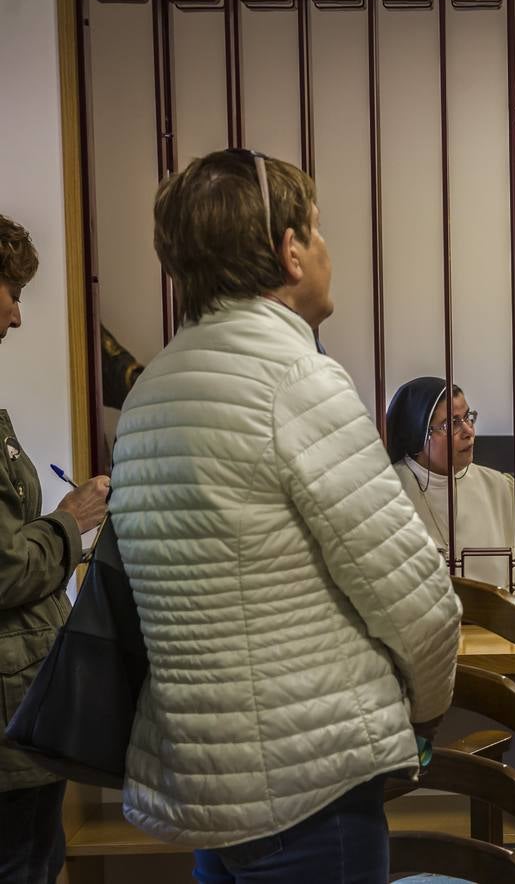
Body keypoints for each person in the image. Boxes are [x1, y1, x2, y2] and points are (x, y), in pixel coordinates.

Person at [108, 150, 461, 883]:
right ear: (290, 251)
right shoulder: (294, 378)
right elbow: (416, 601)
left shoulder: (151, 393)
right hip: (310, 787)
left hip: (211, 782)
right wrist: (424, 715)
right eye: (319, 231)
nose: (327, 251)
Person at [0, 215, 110, 884]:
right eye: (10, 290)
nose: (15, 315)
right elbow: (6, 568)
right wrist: (71, 522)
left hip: (22, 703)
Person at [386, 377, 515, 595]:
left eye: (468, 418)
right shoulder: (384, 494)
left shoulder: (502, 489)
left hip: (498, 625)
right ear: (417, 435)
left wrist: (509, 617)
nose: (469, 431)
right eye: (452, 424)